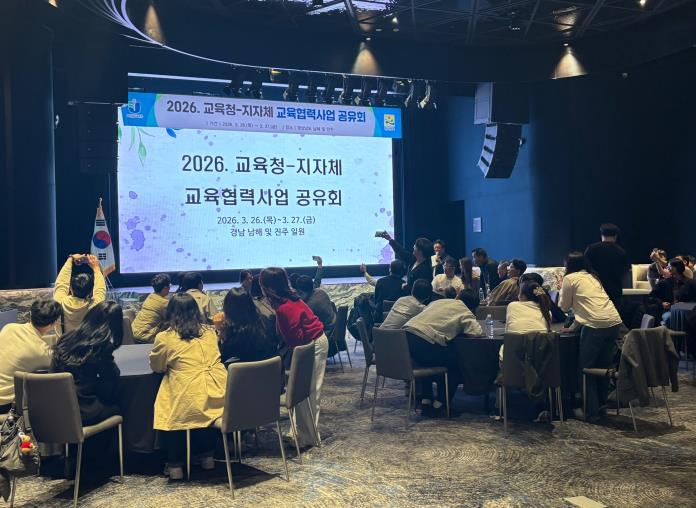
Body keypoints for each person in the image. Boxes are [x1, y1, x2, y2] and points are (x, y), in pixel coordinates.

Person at [149, 293, 227, 481]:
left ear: (170, 313)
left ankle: (175, 465)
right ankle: (207, 457)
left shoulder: (165, 337)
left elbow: (157, 366)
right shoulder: (210, 333)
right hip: (219, 393)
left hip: (188, 397)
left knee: (170, 406)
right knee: (203, 409)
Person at [260, 267, 328, 448]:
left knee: (309, 393)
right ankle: (299, 433)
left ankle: (309, 437)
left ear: (267, 286)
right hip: (310, 343)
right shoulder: (290, 298)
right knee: (303, 392)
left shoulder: (284, 307)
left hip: (312, 344)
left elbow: (295, 338)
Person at [559, 252, 622, 422]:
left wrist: (561, 288)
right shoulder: (593, 277)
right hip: (614, 322)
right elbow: (588, 306)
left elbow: (564, 306)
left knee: (586, 369)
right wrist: (573, 327)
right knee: (603, 368)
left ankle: (590, 412)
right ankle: (601, 406)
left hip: (595, 326)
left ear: (568, 265)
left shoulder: (570, 278)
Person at [402, 291, 483, 415]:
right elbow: (476, 332)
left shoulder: (438, 302)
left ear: (457, 296)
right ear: (473, 307)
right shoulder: (465, 312)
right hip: (424, 344)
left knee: (429, 363)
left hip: (405, 339)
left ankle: (426, 400)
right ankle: (440, 403)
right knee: (458, 365)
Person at [51, 301, 123, 425]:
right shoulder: (101, 347)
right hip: (83, 411)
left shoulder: (65, 338)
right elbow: (111, 380)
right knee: (120, 406)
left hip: (56, 407)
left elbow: (53, 373)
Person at [0, 298, 62, 413]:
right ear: (54, 324)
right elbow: (58, 364)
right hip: (5, 404)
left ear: (30, 314)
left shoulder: (9, 328)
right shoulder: (41, 352)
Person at [219, 288, 279, 363]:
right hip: (273, 368)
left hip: (245, 370)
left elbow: (221, 357)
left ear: (228, 310)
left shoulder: (234, 337)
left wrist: (220, 335)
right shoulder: (267, 321)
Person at [500, 281, 553, 362]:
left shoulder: (512, 306)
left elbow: (507, 333)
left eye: (519, 293)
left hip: (512, 362)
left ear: (523, 296)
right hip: (539, 362)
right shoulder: (547, 312)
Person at [53, 253, 106, 334]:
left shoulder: (59, 303)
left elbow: (61, 283)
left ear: (70, 289)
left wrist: (70, 259)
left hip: (64, 342)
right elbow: (100, 289)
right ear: (91, 292)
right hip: (88, 342)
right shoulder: (95, 305)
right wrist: (96, 268)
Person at [584, 223, 629, 310]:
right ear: (616, 236)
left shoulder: (591, 249)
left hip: (594, 291)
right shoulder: (621, 252)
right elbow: (624, 272)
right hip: (614, 293)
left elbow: (585, 269)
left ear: (601, 235)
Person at [650, 258, 696, 325]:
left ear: (677, 268)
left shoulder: (691, 283)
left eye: (670, 266)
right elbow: (651, 297)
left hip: (687, 310)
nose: (667, 268)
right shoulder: (663, 283)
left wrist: (686, 304)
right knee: (669, 317)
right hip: (669, 311)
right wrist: (661, 303)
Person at [294, 275, 337, 340]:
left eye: (299, 292)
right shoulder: (320, 291)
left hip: (327, 332)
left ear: (302, 292)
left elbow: (303, 325)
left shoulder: (309, 306)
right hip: (334, 324)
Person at [132, 273, 171, 343]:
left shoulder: (151, 296)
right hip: (145, 336)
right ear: (165, 288)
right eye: (169, 285)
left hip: (134, 332)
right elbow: (172, 320)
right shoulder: (164, 303)